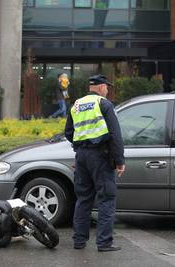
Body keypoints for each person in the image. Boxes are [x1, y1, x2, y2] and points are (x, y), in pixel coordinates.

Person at [64, 74, 125, 252]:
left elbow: (69, 132)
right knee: (107, 198)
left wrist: (83, 144)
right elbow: (115, 135)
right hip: (100, 156)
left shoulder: (76, 105)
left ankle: (79, 241)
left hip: (81, 156)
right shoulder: (104, 104)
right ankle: (104, 243)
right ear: (100, 87)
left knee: (83, 199)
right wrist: (119, 160)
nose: (107, 89)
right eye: (107, 86)